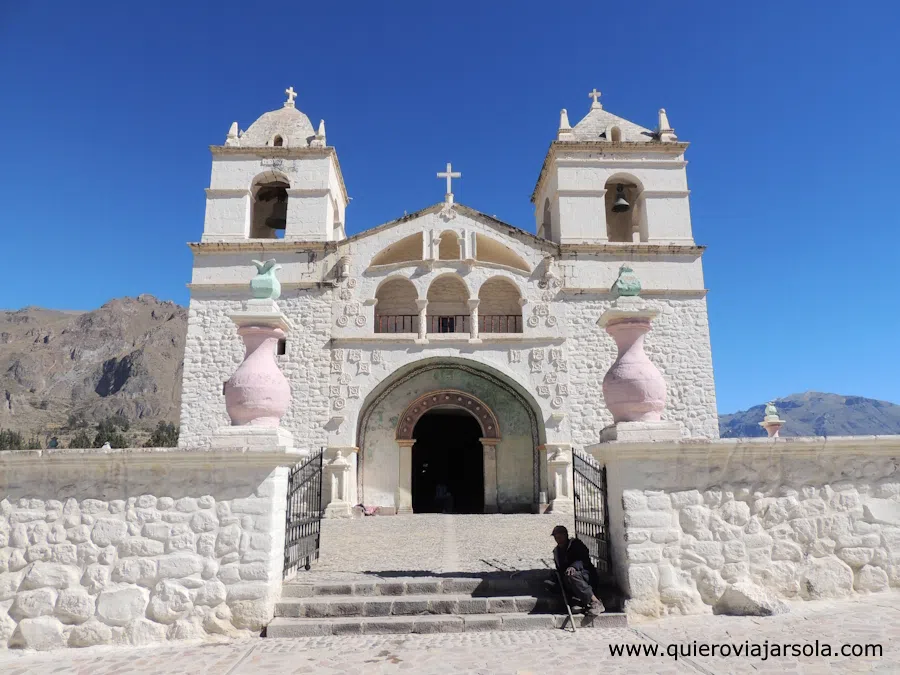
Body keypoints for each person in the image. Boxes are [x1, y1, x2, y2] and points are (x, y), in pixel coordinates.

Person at [547, 525, 605, 616]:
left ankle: (595, 602)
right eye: (556, 537)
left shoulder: (576, 544)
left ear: (565, 535)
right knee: (553, 583)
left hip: (585, 575)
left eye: (560, 537)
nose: (558, 540)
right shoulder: (556, 551)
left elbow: (583, 559)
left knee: (572, 575)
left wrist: (574, 567)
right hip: (569, 579)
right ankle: (577, 601)